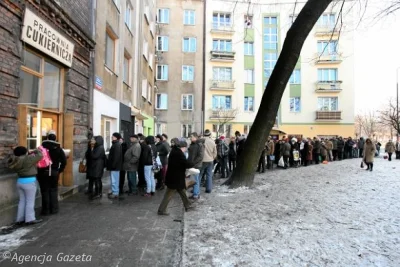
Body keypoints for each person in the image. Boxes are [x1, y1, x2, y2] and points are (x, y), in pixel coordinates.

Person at [157, 140, 194, 215]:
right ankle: (161, 210)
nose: (186, 150)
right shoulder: (179, 154)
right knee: (169, 194)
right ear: (182, 147)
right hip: (175, 178)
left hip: (174, 177)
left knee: (182, 190)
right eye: (185, 148)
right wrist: (193, 163)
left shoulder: (175, 151)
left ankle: (188, 205)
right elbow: (186, 163)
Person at [8, 146, 43, 225]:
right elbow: (40, 155)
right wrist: (35, 150)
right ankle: (30, 219)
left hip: (20, 181)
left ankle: (20, 219)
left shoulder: (15, 160)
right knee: (30, 201)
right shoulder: (28, 158)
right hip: (30, 181)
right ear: (25, 152)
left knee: (22, 201)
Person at [37, 132, 66, 215]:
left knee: (45, 191)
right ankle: (54, 209)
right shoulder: (58, 148)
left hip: (42, 172)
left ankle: (45, 210)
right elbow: (64, 161)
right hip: (54, 172)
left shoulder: (41, 148)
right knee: (53, 190)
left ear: (47, 138)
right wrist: (59, 170)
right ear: (55, 139)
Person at [199, 129, 217, 194]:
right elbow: (215, 153)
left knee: (200, 175)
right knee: (209, 175)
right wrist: (212, 158)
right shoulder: (212, 142)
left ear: (204, 134)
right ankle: (208, 189)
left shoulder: (201, 141)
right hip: (210, 160)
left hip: (202, 161)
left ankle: (197, 189)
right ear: (210, 135)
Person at [188, 132, 204, 200]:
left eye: (191, 137)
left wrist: (193, 162)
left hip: (196, 165)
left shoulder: (199, 145)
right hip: (193, 165)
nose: (190, 138)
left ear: (195, 137)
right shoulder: (193, 144)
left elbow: (200, 156)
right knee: (194, 179)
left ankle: (196, 195)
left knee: (195, 180)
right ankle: (196, 193)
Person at [107, 133, 123, 199]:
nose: (111, 137)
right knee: (114, 180)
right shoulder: (115, 144)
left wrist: (113, 165)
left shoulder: (117, 145)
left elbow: (116, 156)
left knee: (114, 180)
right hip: (114, 166)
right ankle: (114, 191)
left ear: (116, 138)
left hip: (115, 167)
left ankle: (115, 193)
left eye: (113, 136)